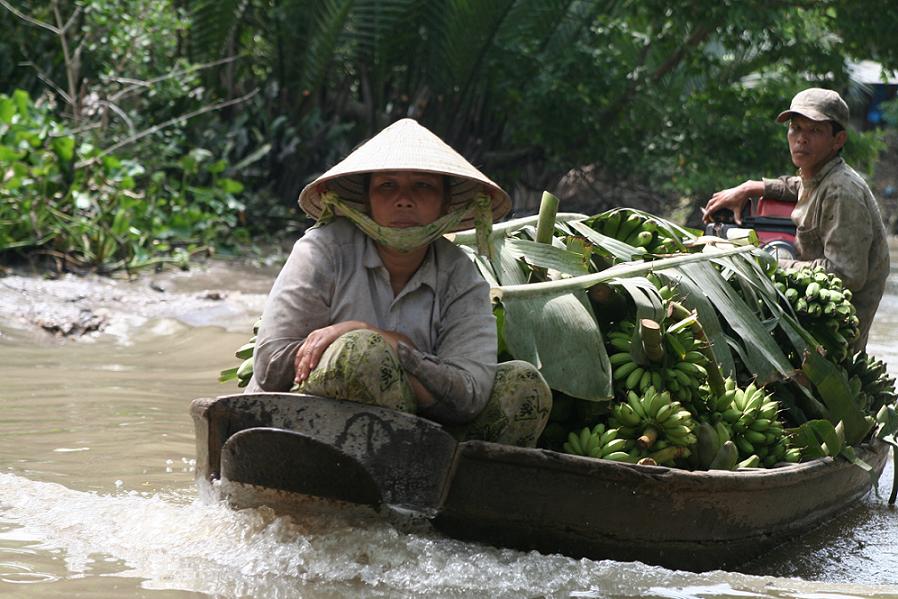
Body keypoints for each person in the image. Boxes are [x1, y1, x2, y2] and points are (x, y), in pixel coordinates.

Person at [245, 118, 552, 447]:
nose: (404, 200)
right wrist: (365, 348)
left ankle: (434, 488)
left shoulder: (461, 277)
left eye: (422, 187)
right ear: (368, 201)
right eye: (387, 187)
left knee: (523, 385)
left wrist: (390, 342)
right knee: (361, 353)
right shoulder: (324, 250)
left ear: (445, 204)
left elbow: (470, 394)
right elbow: (271, 365)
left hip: (418, 441)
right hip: (301, 427)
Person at [702, 88, 890, 351]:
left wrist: (769, 262)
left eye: (815, 131)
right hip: (809, 308)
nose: (801, 139)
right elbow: (800, 186)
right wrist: (751, 187)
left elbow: (847, 275)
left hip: (834, 332)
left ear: (838, 140)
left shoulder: (842, 191)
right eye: (796, 128)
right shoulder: (819, 174)